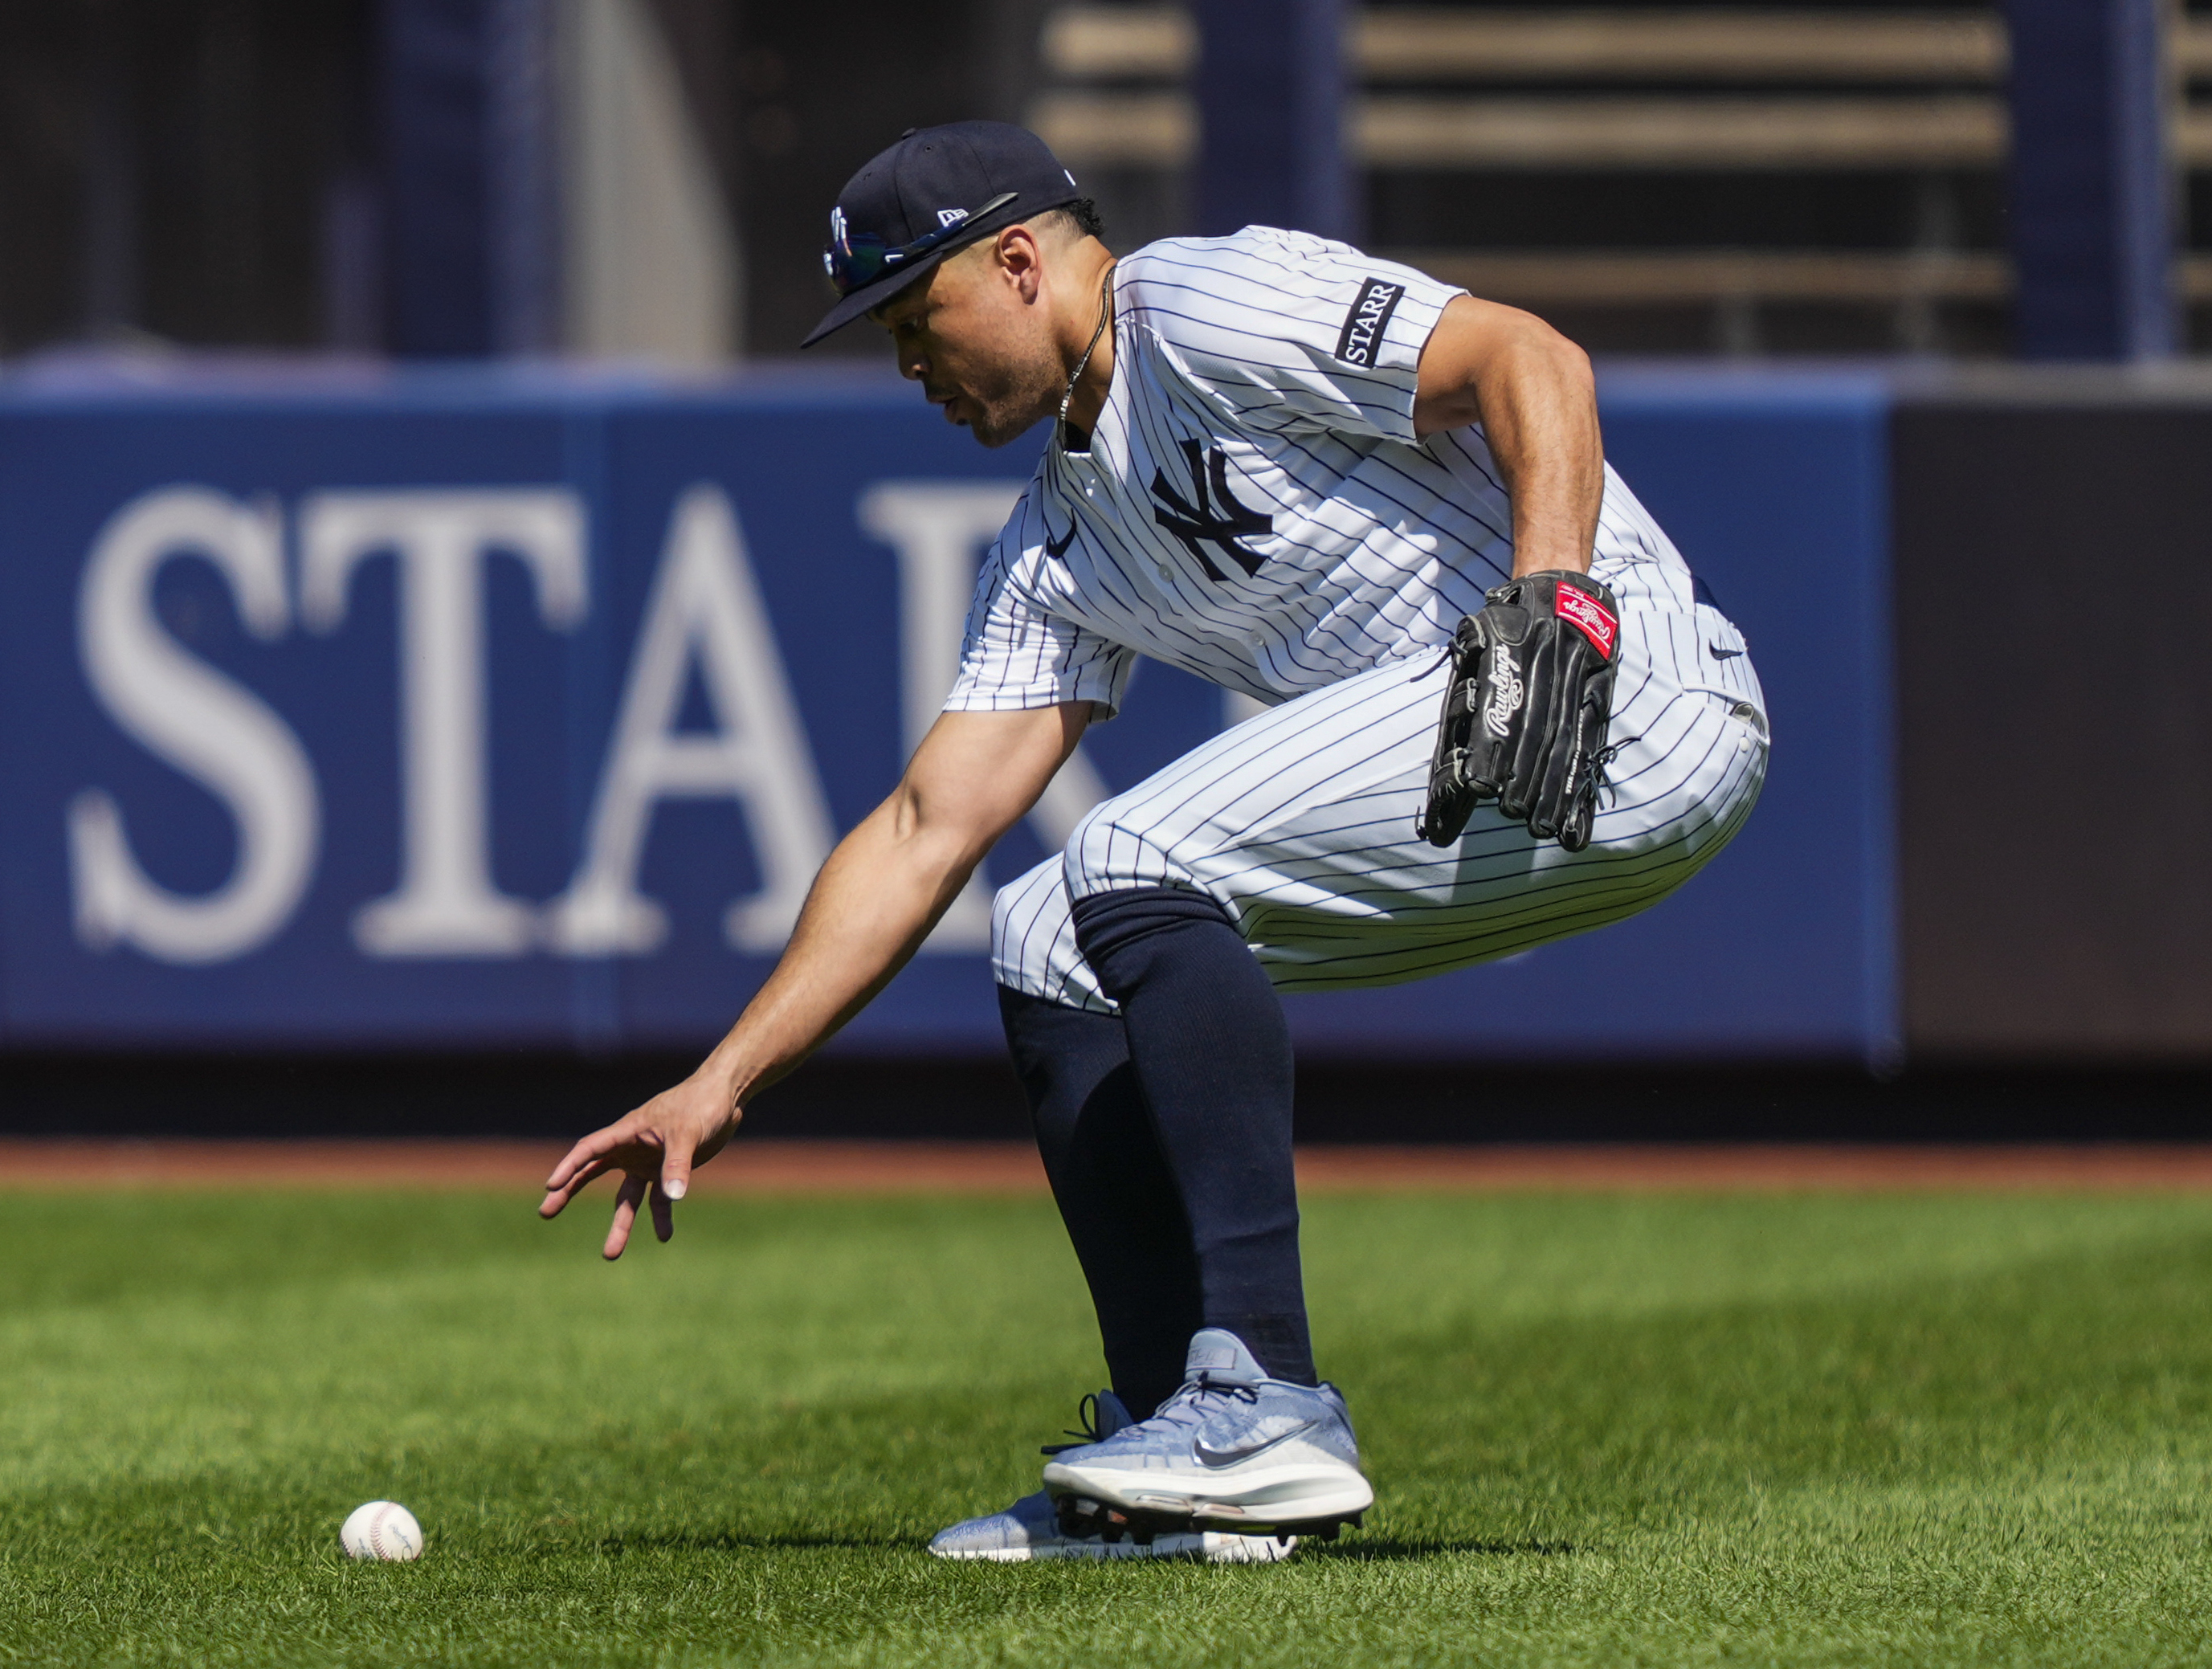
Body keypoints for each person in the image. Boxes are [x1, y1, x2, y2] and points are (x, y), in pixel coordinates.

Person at [541, 121, 1768, 1563]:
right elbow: (928, 828)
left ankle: (1267, 1403)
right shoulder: (1060, 538)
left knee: (1134, 854)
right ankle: (1165, 1458)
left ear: (1013, 262)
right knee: (1044, 933)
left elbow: (1531, 359)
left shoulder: (1197, 305)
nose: (904, 364)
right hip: (1478, 767)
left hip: (1630, 690)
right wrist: (721, 1078)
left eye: (909, 314)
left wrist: (1556, 600)